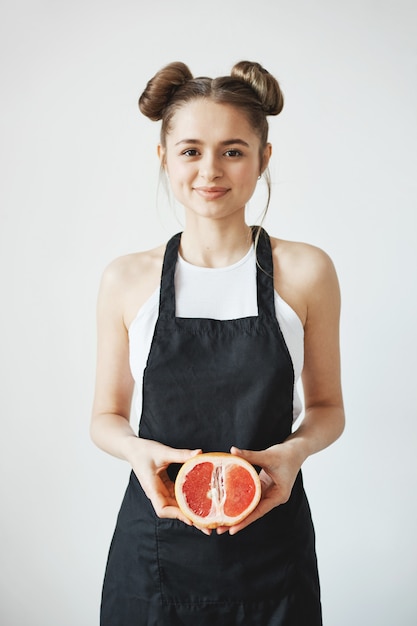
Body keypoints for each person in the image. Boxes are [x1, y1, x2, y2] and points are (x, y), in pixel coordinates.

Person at [91, 60, 345, 626]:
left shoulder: (305, 272)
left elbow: (328, 408)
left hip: (272, 548)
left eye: (233, 150)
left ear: (263, 159)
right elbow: (105, 416)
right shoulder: (126, 279)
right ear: (164, 157)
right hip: (154, 551)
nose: (211, 170)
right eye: (190, 150)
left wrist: (293, 453)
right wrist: (137, 451)